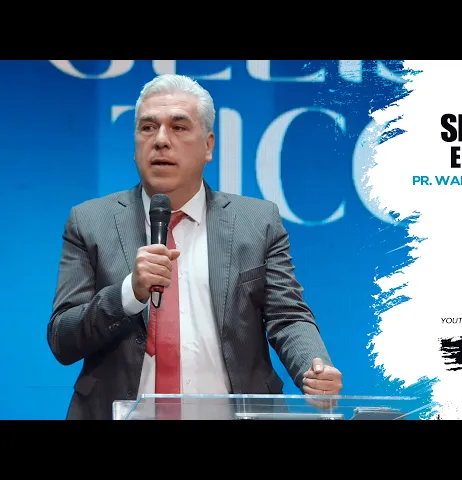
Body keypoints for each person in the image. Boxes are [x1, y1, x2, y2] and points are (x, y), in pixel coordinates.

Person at [47, 73, 343, 420]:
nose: (160, 140)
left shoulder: (257, 222)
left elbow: (288, 317)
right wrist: (129, 292)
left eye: (178, 127)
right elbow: (62, 338)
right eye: (147, 128)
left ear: (208, 146)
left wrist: (314, 368)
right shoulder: (89, 221)